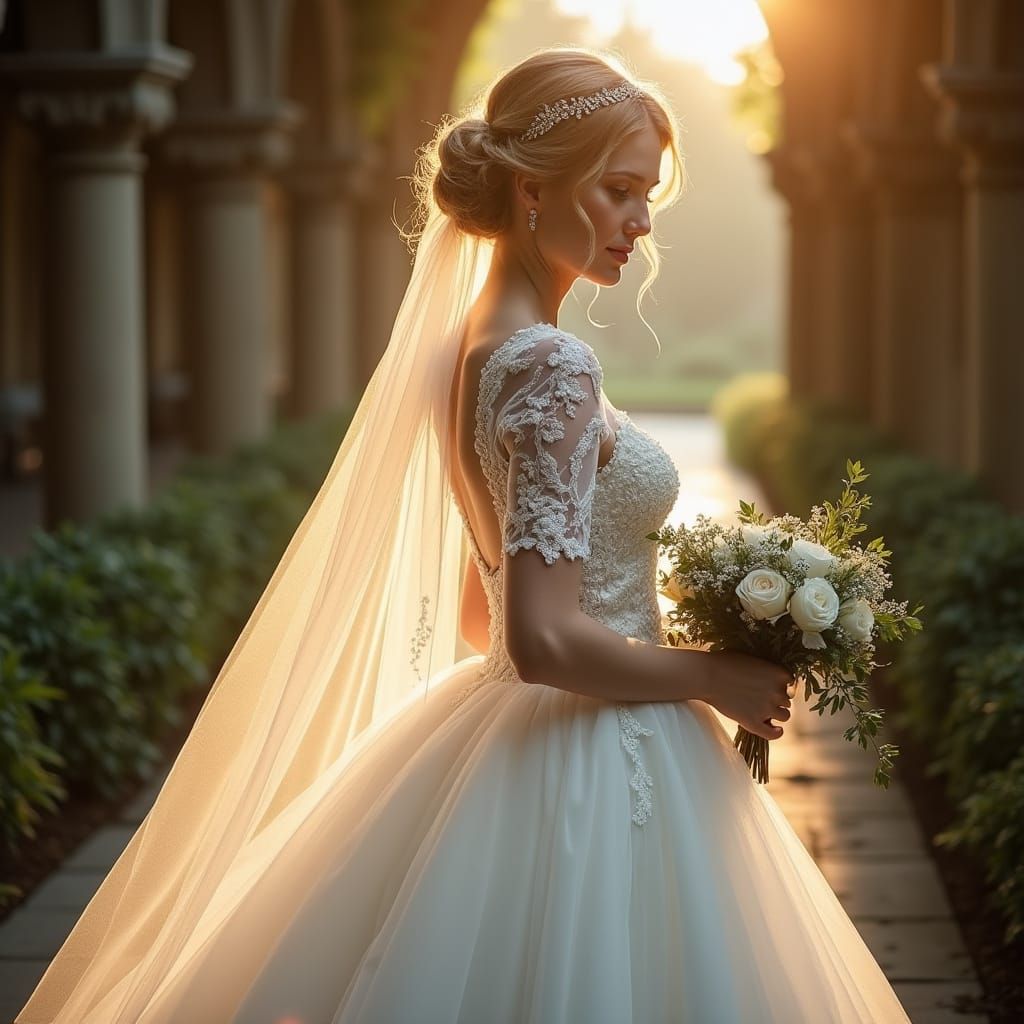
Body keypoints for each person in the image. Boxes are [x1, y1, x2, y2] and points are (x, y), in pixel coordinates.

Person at [16, 46, 913, 1023]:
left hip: (523, 732)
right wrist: (706, 671)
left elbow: (482, 610)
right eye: (617, 190)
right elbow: (535, 641)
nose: (640, 222)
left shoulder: (469, 349)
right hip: (593, 756)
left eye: (647, 195)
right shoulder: (552, 365)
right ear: (533, 189)